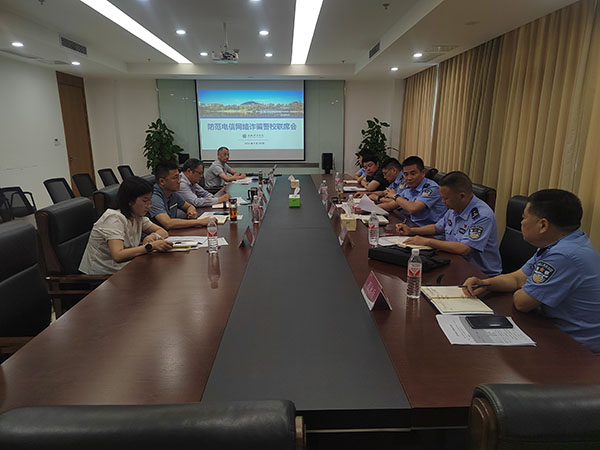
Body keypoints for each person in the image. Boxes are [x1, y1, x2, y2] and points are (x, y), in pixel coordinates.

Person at [463, 189, 600, 354]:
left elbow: (522, 302)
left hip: (577, 349)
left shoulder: (564, 255)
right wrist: (485, 283)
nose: (521, 223)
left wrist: (525, 286)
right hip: (553, 329)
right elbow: (517, 278)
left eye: (524, 218)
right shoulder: (561, 243)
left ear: (543, 225)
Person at [396, 171, 502, 276]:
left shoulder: (482, 215)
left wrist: (427, 241)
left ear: (462, 196)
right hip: (454, 262)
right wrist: (411, 231)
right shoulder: (455, 207)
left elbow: (464, 249)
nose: (443, 201)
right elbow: (437, 228)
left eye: (446, 198)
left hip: (480, 274)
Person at [79, 176, 173, 275]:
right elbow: (118, 255)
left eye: (150, 201)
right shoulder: (113, 219)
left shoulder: (137, 216)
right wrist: (150, 246)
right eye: (145, 201)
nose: (149, 206)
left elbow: (163, 231)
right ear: (130, 201)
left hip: (124, 268)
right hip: (101, 276)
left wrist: (152, 237)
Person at [149, 161, 210, 230]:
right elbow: (168, 223)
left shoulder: (172, 193)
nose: (179, 181)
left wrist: (191, 211)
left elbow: (189, 206)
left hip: (171, 233)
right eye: (175, 178)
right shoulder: (153, 197)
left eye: (179, 177)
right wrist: (200, 222)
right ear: (162, 181)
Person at [389, 155, 447, 225]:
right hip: (412, 225)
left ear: (423, 173)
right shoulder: (410, 186)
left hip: (428, 230)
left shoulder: (432, 188)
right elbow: (391, 205)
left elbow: (413, 208)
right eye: (406, 174)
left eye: (413, 174)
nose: (409, 178)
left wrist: (395, 196)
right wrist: (376, 210)